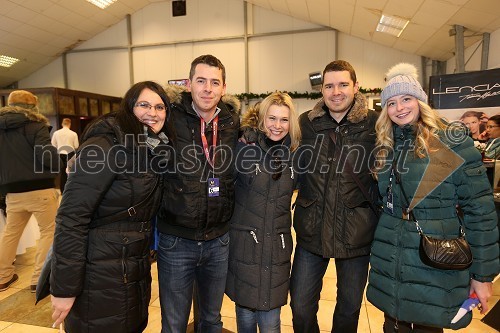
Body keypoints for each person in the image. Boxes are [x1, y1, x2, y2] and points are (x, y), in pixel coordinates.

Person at [366, 63, 499, 332]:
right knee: (393, 324)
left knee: (427, 324)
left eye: (406, 99)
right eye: (391, 103)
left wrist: (483, 276)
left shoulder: (452, 141)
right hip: (392, 254)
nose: (399, 108)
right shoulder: (387, 144)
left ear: (421, 100)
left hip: (434, 259)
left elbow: (480, 212)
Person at [50, 81, 171, 332]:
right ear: (129, 108)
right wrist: (64, 289)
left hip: (130, 271)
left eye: (160, 107)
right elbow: (71, 218)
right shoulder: (104, 147)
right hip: (99, 275)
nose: (153, 113)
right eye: (144, 105)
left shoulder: (150, 149)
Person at [290, 60, 379, 333]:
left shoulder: (375, 124)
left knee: (349, 308)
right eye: (329, 85)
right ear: (322, 89)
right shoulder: (306, 123)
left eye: (342, 84)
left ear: (356, 87)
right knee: (301, 306)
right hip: (311, 230)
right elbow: (278, 146)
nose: (336, 91)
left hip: (356, 233)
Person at [157, 54, 240, 332]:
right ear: (189, 83)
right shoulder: (168, 118)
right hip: (177, 240)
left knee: (212, 319)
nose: (208, 88)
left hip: (218, 240)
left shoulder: (232, 123)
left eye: (215, 82)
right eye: (201, 81)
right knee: (174, 322)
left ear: (224, 87)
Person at [225, 92, 300, 332]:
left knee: (270, 322)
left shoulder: (296, 154)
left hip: (276, 249)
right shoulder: (242, 149)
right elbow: (222, 189)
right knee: (245, 317)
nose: (277, 126)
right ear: (261, 119)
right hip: (245, 246)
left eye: (284, 120)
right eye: (272, 118)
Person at [0, 90, 60, 292]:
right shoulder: (36, 126)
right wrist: (58, 163)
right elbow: (47, 156)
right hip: (40, 188)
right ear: (32, 107)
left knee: (10, 234)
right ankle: (38, 279)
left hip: (11, 191)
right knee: (48, 231)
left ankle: (3, 277)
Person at [51, 118, 79, 193]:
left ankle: (62, 190)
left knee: (62, 173)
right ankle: (71, 190)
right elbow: (76, 145)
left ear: (62, 124)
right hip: (70, 154)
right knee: (71, 172)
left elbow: (53, 145)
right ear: (69, 124)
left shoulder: (56, 133)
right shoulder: (73, 133)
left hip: (60, 153)